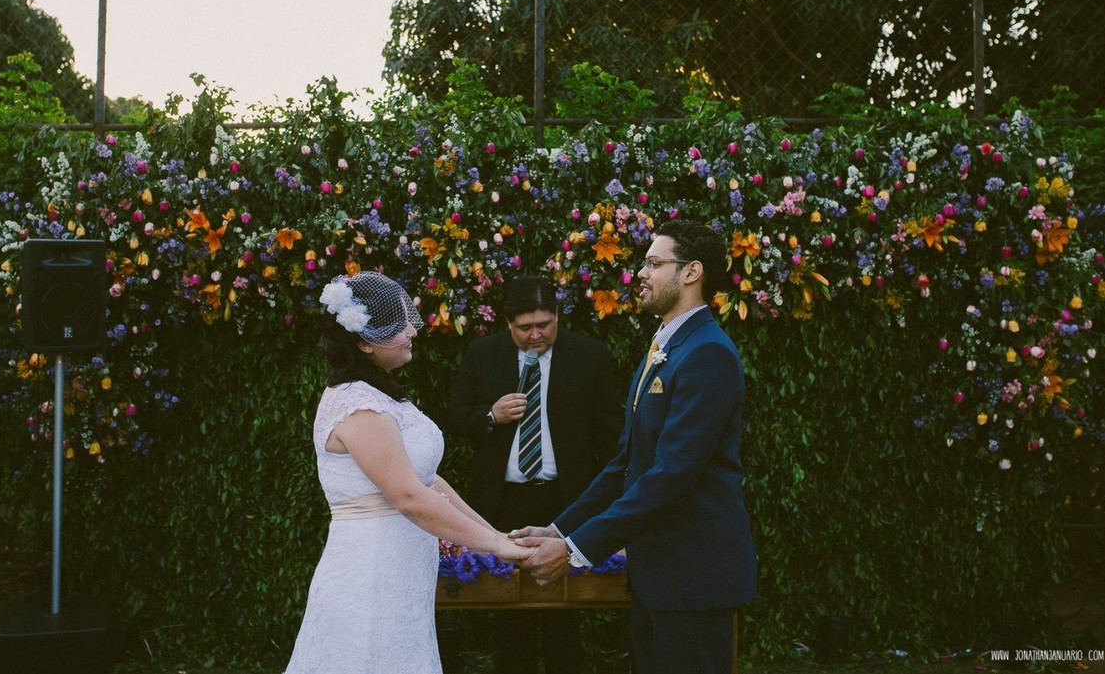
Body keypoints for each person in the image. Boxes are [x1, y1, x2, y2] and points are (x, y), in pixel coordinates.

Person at [512, 219, 757, 674]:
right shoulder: (665, 347)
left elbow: (671, 476)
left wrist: (574, 551)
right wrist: (560, 530)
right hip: (658, 578)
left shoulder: (708, 353)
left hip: (693, 580)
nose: (640, 273)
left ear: (691, 272)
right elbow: (626, 464)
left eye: (653, 263)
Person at [285, 271, 530, 674]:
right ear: (365, 342)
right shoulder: (358, 404)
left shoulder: (380, 396)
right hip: (371, 574)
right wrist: (497, 545)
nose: (412, 332)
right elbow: (409, 497)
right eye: (399, 325)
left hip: (400, 577)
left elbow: (430, 483)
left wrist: (494, 537)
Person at [446, 276, 623, 674]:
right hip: (503, 499)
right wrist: (490, 415)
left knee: (567, 606)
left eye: (544, 324)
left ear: (558, 316)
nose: (536, 334)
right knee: (509, 610)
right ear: (508, 324)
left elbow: (611, 431)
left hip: (568, 499)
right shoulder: (483, 353)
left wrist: (609, 498)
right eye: (525, 328)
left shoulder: (589, 355)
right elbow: (454, 413)